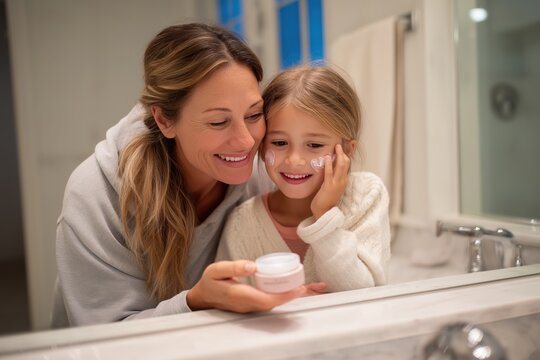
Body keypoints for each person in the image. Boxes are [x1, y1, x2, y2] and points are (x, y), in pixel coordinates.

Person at [52, 23, 311, 328]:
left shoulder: (262, 168)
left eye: (254, 115)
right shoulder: (95, 196)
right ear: (164, 119)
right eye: (218, 122)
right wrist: (195, 301)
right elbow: (107, 339)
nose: (245, 141)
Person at [216, 66, 391, 292]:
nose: (295, 160)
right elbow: (229, 303)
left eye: (315, 145)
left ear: (346, 150)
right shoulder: (242, 223)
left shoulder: (367, 195)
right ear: (261, 145)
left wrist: (324, 215)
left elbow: (363, 292)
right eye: (279, 143)